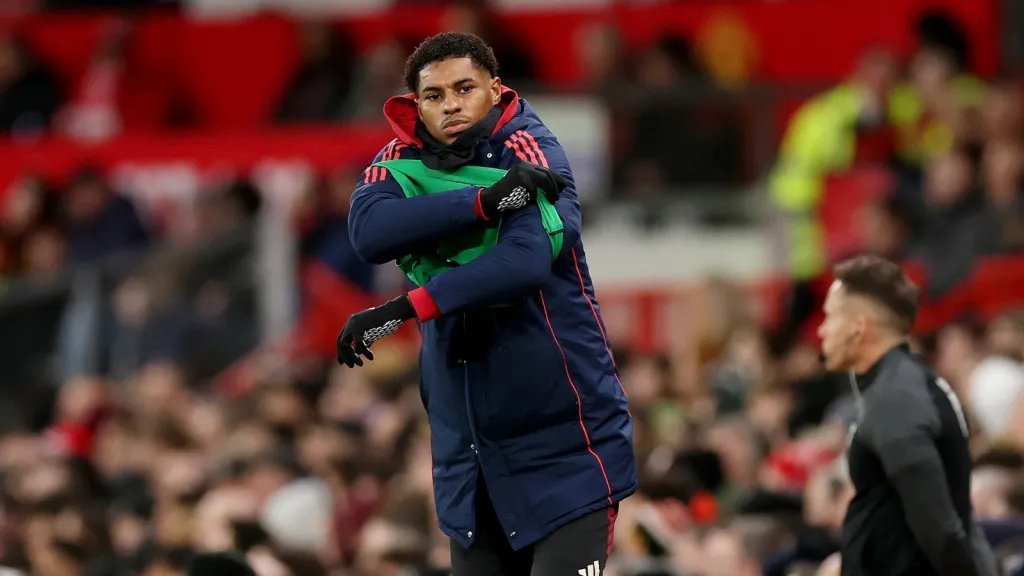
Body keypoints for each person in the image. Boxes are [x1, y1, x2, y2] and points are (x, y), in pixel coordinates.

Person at [336, 32, 636, 576]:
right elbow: (370, 232)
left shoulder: (531, 149)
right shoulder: (400, 159)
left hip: (565, 449)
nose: (450, 104)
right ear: (415, 106)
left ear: (496, 91)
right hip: (468, 461)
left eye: (465, 88)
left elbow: (523, 262)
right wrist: (485, 201)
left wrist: (404, 309)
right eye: (434, 95)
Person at [817, 255, 996, 576]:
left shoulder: (896, 398)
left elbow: (939, 526)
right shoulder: (894, 385)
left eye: (830, 318)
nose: (821, 330)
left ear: (859, 327)